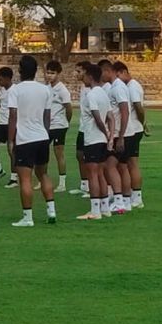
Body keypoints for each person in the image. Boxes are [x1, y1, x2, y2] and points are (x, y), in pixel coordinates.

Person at [8, 55, 57, 227]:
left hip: (25, 139)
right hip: (42, 137)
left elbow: (13, 116)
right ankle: (51, 210)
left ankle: (27, 217)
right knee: (43, 174)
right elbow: (47, 116)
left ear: (20, 71)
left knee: (26, 179)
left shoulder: (15, 90)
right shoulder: (45, 90)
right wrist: (45, 134)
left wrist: (10, 140)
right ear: (36, 71)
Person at [76, 64, 114, 220]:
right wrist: (110, 137)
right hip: (102, 141)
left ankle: (95, 211)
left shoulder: (91, 95)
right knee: (100, 174)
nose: (82, 78)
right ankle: (105, 208)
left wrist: (105, 132)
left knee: (92, 175)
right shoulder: (104, 93)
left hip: (92, 139)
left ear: (90, 76)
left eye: (83, 75)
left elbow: (98, 117)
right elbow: (111, 117)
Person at [99, 59, 134, 214]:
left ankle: (119, 201)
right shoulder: (117, 86)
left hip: (121, 133)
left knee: (109, 165)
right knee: (122, 167)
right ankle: (126, 200)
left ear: (107, 71)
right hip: (125, 133)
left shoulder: (117, 88)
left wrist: (120, 137)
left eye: (102, 73)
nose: (101, 77)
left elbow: (124, 111)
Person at [115, 61, 146, 209]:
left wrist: (143, 123)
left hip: (133, 128)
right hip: (134, 128)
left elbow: (138, 108)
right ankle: (133, 196)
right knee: (128, 164)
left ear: (123, 72)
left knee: (130, 164)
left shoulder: (132, 87)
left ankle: (136, 198)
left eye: (118, 75)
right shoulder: (130, 86)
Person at [45, 60, 72, 192]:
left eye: (52, 73)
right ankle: (42, 179)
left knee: (58, 153)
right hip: (47, 126)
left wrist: (66, 122)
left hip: (59, 126)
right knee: (42, 153)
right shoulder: (47, 88)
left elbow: (69, 108)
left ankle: (62, 183)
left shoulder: (62, 90)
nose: (49, 75)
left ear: (58, 74)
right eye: (48, 72)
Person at [69, 61, 92, 198]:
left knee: (90, 159)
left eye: (79, 71)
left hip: (90, 129)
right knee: (79, 155)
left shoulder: (92, 89)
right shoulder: (83, 88)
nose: (75, 74)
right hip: (82, 128)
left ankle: (92, 187)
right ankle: (84, 185)